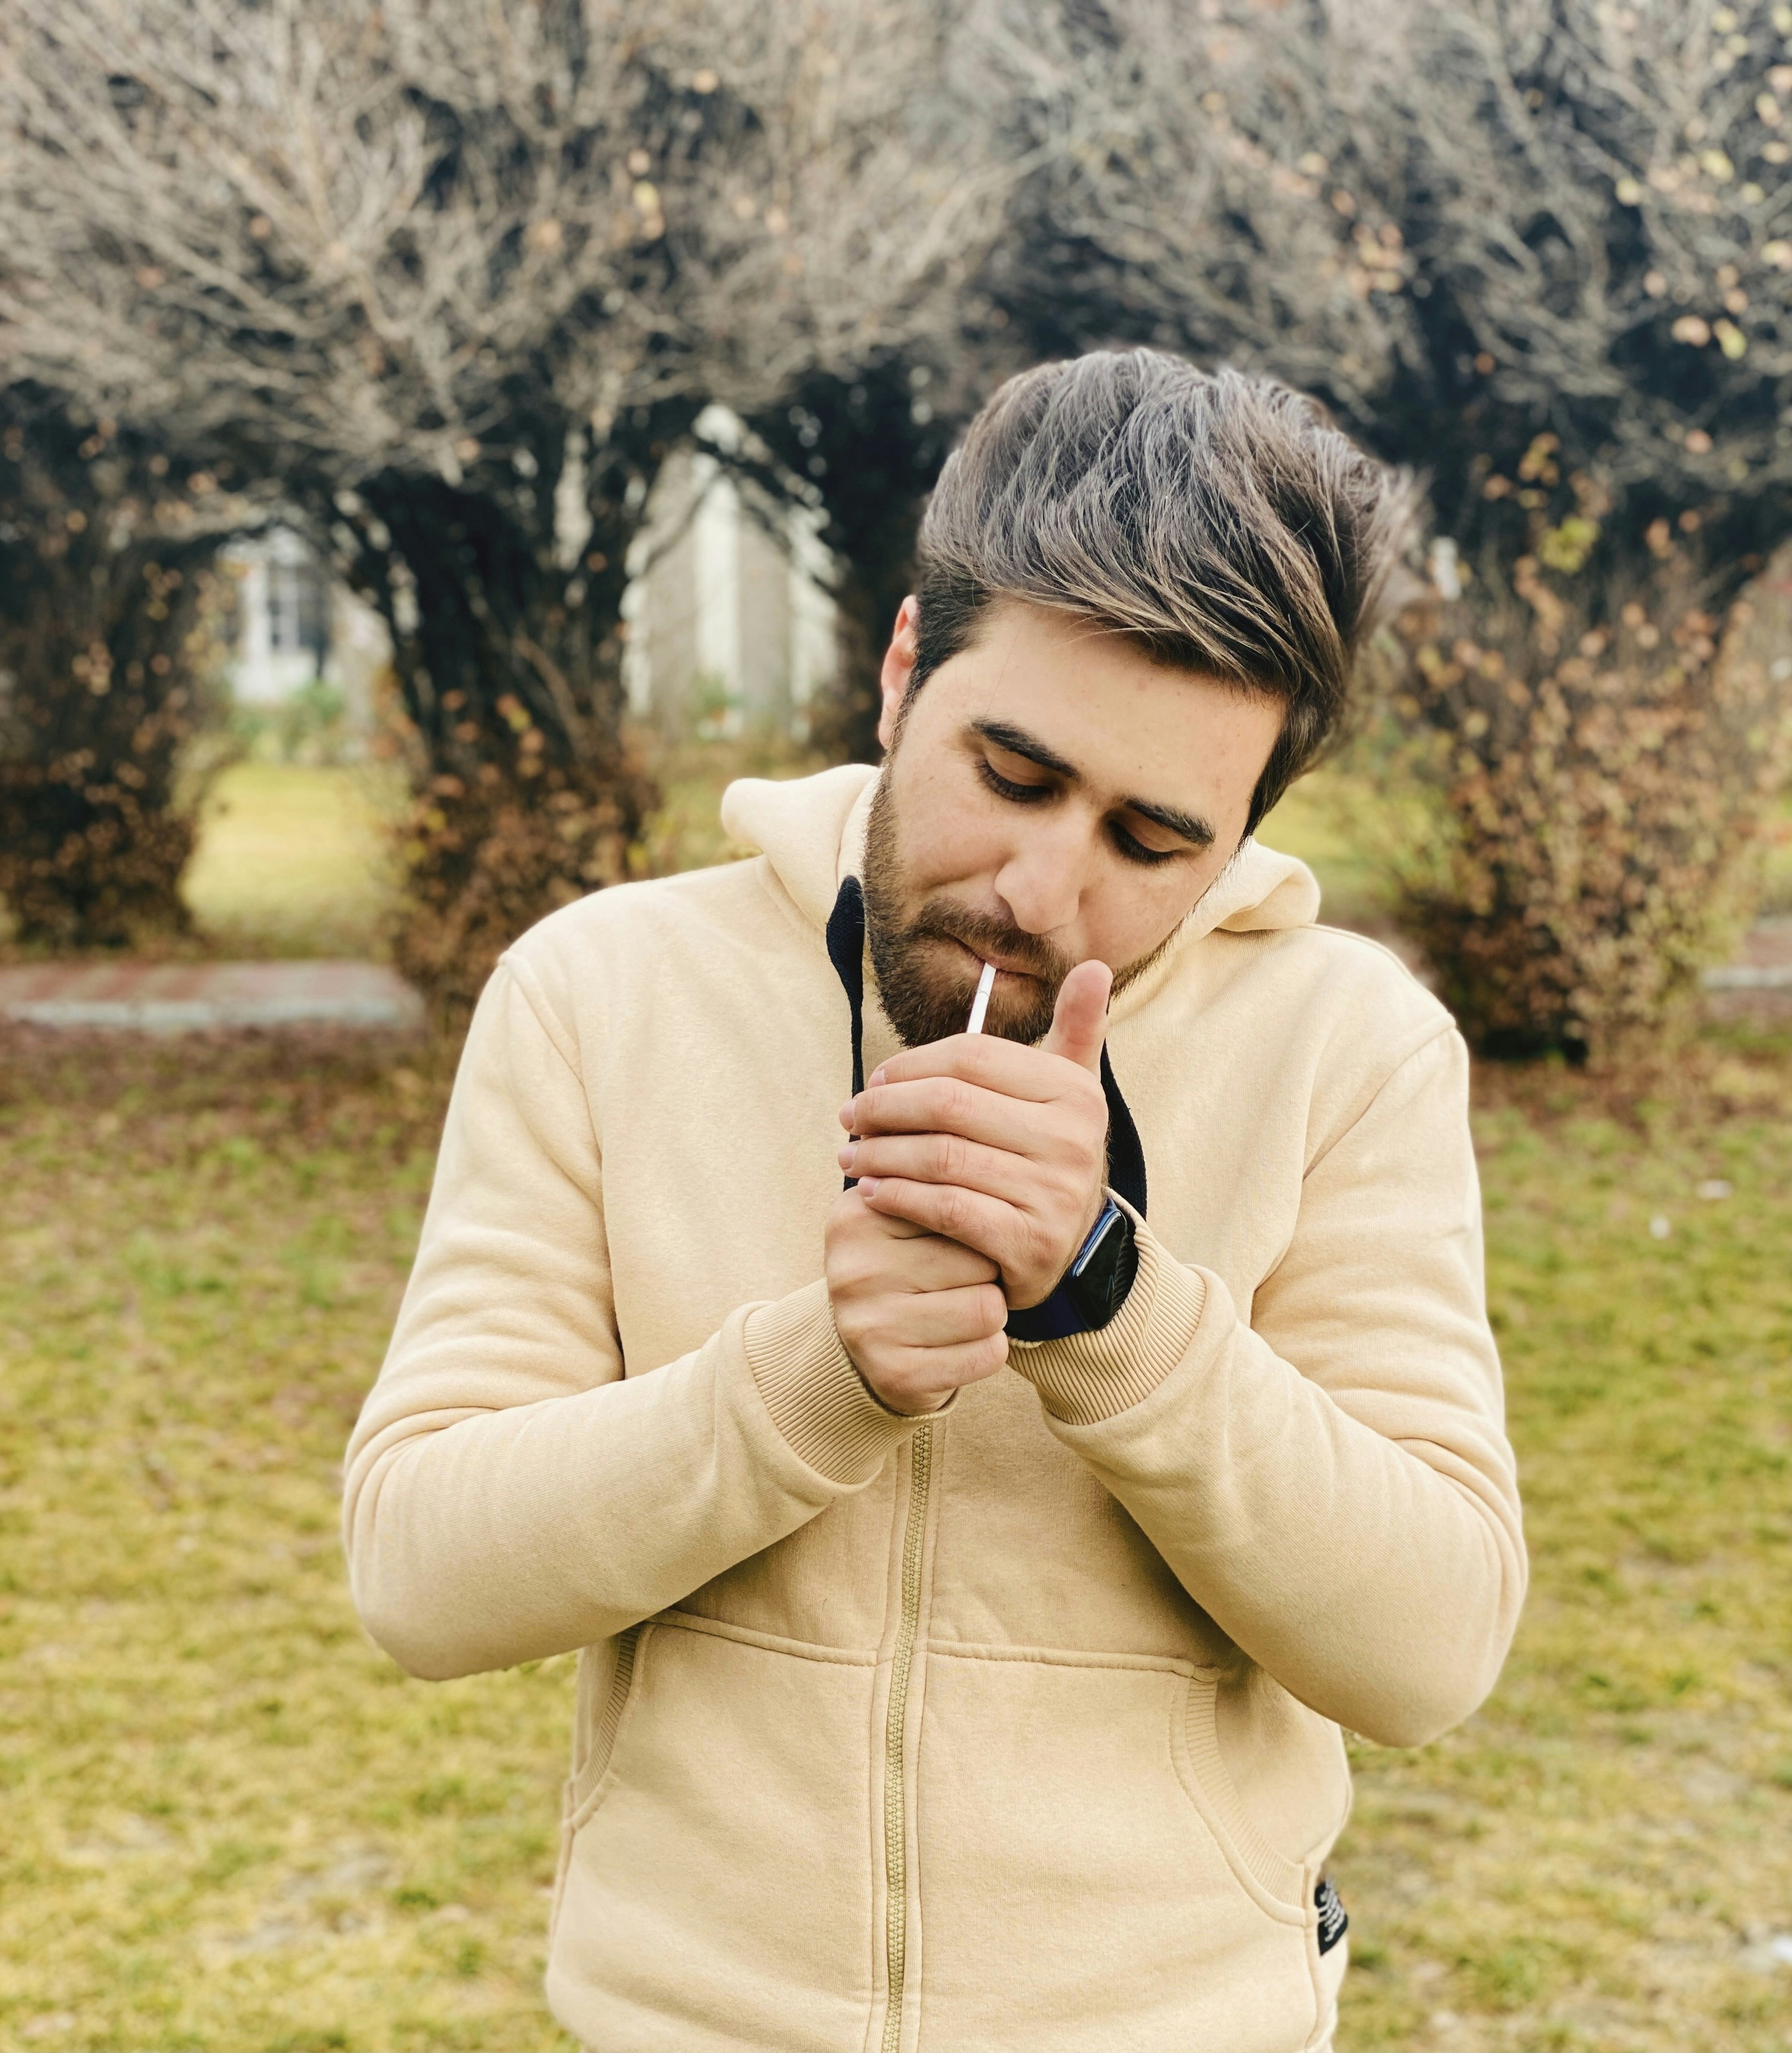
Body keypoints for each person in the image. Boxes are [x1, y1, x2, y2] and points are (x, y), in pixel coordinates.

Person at [343, 348, 1525, 2053]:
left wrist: (1117, 1314)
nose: (1041, 892)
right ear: (904, 672)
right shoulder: (601, 992)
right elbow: (421, 1574)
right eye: (1014, 773)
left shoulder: (1352, 1047)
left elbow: (1428, 1650)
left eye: (1151, 840)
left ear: (1244, 833)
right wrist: (812, 1381)